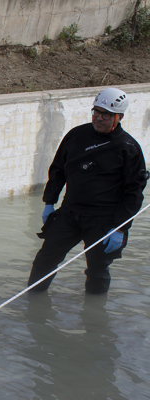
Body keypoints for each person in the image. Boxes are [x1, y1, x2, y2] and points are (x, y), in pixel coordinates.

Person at [27, 87, 148, 294]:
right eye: (96, 112)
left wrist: (120, 227)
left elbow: (134, 192)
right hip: (69, 213)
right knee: (45, 259)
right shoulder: (76, 136)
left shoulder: (128, 148)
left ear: (118, 117)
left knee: (97, 269)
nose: (99, 118)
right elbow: (58, 169)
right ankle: (32, 298)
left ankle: (94, 315)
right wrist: (49, 202)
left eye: (106, 115)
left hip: (103, 220)